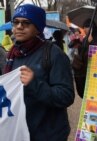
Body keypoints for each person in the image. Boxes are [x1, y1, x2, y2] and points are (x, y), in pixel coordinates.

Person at [4, 4, 74, 141]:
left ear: (37, 28)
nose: (19, 27)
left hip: (48, 134)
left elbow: (66, 96)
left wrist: (34, 83)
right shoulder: (12, 55)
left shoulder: (54, 54)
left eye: (26, 23)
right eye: (16, 22)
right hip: (19, 131)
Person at [72, 18, 97, 97]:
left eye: (85, 27)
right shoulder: (85, 39)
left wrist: (91, 43)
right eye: (83, 27)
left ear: (91, 27)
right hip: (83, 74)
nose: (84, 29)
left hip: (95, 75)